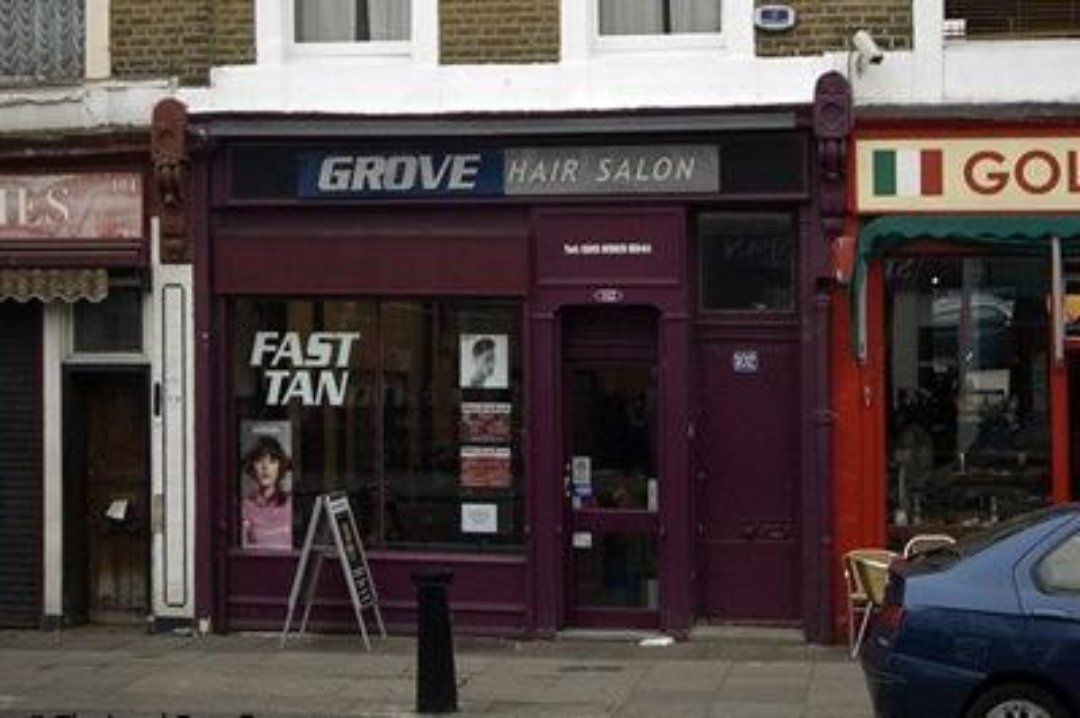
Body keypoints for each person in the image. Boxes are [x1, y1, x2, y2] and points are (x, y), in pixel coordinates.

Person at [241, 435, 293, 549]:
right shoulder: (246, 507)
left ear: (280, 466)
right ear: (252, 467)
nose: (265, 467)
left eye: (272, 461)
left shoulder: (291, 504)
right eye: (259, 461)